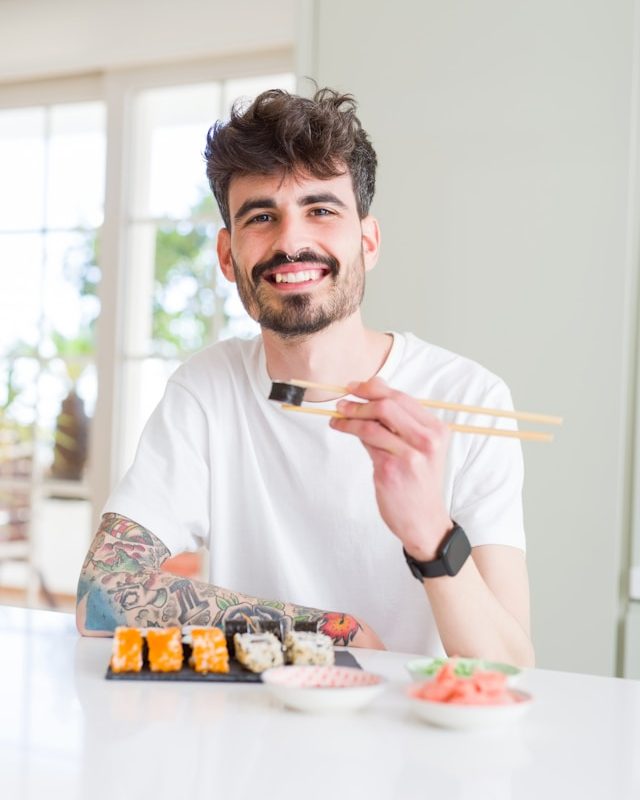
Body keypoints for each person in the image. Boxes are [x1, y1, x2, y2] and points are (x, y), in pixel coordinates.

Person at [76, 88, 534, 665]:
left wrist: (431, 536)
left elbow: (512, 669)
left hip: (413, 739)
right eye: (262, 217)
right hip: (253, 732)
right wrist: (328, 629)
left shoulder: (469, 399)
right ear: (227, 255)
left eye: (321, 210)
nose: (291, 242)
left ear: (367, 242)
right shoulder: (208, 388)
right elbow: (102, 593)